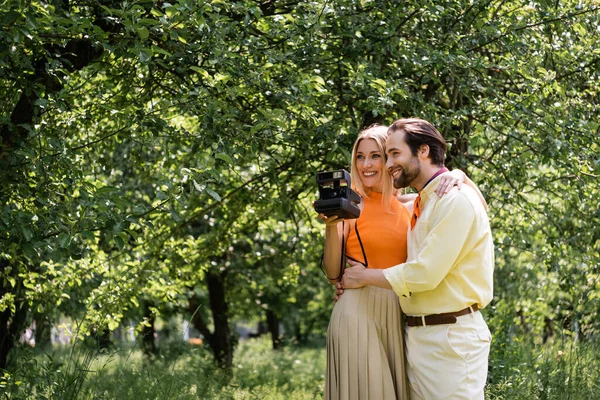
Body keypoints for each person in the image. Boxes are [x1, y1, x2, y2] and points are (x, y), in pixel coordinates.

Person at [318, 125, 486, 400]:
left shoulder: (413, 204)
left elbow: (479, 211)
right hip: (358, 312)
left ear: (391, 161)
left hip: (399, 313)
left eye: (377, 155)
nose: (367, 164)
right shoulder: (350, 206)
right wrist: (332, 226)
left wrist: (460, 176)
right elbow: (335, 273)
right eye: (360, 157)